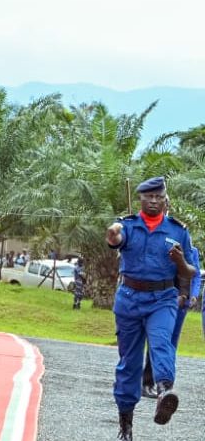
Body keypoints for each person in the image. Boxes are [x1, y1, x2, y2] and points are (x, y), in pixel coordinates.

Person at [106, 176, 195, 440]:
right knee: (129, 363)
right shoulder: (127, 225)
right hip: (130, 299)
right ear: (141, 199)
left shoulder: (178, 231)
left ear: (165, 200)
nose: (154, 201)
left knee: (161, 342)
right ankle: (126, 426)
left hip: (163, 299)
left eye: (159, 197)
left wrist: (180, 262)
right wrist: (113, 236)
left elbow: (190, 271)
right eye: (149, 197)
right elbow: (116, 239)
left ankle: (165, 392)